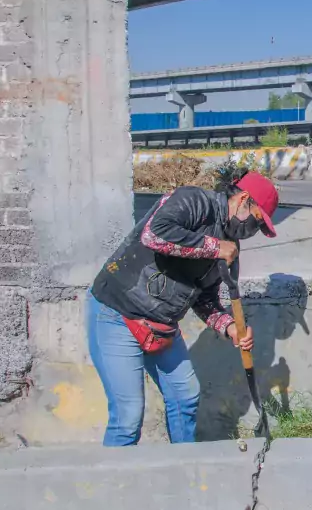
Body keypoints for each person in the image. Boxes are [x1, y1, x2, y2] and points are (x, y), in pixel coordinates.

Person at [86, 170, 279, 446]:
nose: (253, 231)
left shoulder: (229, 248)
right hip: (117, 312)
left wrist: (229, 327)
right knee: (128, 416)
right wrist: (214, 247)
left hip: (161, 324)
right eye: (257, 221)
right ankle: (116, 485)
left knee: (185, 396)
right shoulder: (194, 202)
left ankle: (184, 470)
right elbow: (154, 234)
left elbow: (205, 300)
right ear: (243, 199)